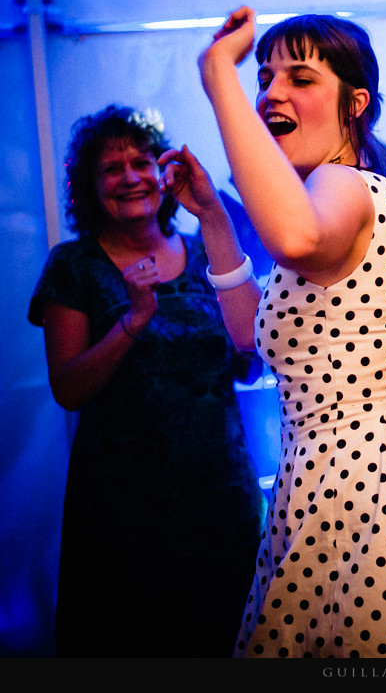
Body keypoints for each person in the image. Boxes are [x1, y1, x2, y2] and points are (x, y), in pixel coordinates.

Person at [160, 7, 386, 658]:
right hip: (326, 485)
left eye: (299, 77)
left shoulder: (343, 185)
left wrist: (219, 78)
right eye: (262, 78)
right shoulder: (329, 197)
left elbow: (291, 236)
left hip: (376, 489)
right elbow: (246, 336)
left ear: (356, 103)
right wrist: (212, 216)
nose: (270, 92)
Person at [28, 105, 265, 657]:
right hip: (123, 507)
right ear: (89, 187)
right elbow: (68, 388)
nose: (132, 177)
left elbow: (249, 363)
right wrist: (132, 322)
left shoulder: (208, 250)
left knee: (231, 637)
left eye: (142, 162)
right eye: (112, 169)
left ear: (165, 174)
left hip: (219, 495)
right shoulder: (74, 266)